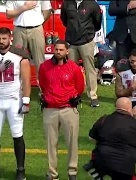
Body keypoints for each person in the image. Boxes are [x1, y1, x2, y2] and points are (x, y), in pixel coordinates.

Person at [0, 27, 31, 180]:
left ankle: (20, 170)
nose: (1, 42)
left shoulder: (19, 55)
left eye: (4, 39)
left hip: (13, 99)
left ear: (10, 38)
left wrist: (26, 101)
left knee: (17, 135)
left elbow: (26, 79)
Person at [38, 40, 85, 180]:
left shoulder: (74, 68)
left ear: (67, 51)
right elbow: (43, 84)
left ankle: (72, 172)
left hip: (68, 109)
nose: (58, 52)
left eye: (61, 50)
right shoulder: (44, 67)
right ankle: (52, 174)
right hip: (50, 109)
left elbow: (80, 87)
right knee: (50, 143)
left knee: (72, 142)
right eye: (56, 49)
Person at [85, 97, 136, 179]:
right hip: (126, 166)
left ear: (116, 107)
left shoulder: (103, 120)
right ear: (130, 109)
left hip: (102, 162)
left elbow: (91, 138)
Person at [60, 0, 102, 107]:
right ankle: (73, 95)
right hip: (71, 42)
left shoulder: (92, 3)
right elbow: (64, 20)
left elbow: (97, 22)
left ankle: (93, 96)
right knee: (71, 70)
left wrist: (88, 32)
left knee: (90, 69)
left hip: (87, 41)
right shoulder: (66, 3)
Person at [5, 0, 52, 80]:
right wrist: (24, 8)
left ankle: (43, 90)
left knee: (40, 62)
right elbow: (8, 14)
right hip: (19, 29)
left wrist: (38, 23)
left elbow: (47, 11)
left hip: (36, 29)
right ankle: (18, 90)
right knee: (17, 61)